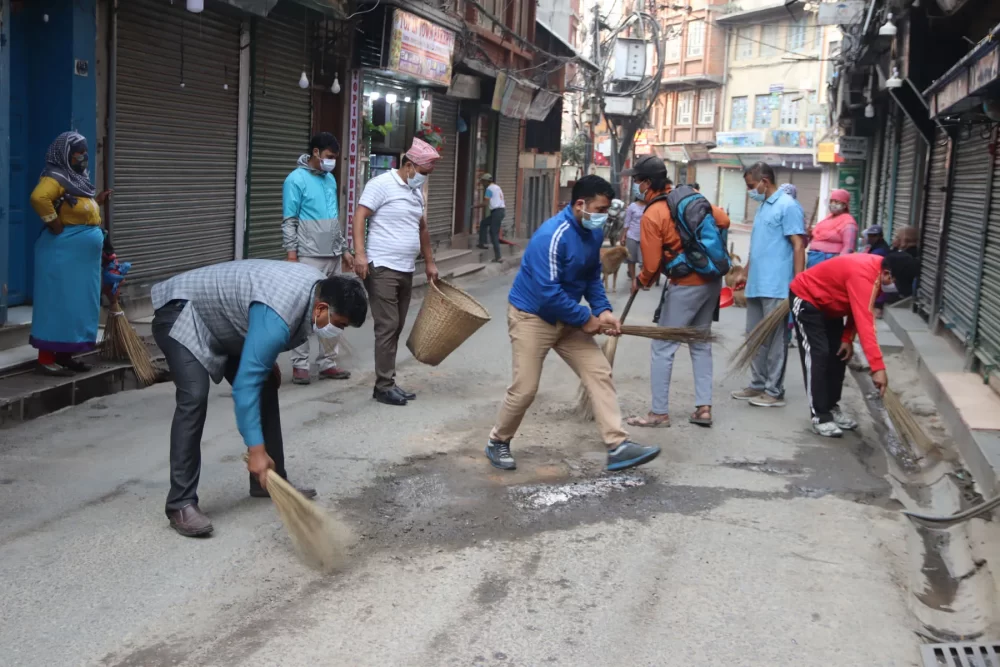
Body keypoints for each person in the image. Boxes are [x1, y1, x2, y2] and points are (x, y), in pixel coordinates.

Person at [150, 261, 368, 537]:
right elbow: (244, 387)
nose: (339, 332)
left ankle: (269, 481)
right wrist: (255, 450)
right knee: (194, 395)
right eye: (340, 325)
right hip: (181, 311)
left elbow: (261, 325)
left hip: (223, 320)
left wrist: (263, 358)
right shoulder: (278, 316)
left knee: (266, 383)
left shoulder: (317, 289)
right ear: (322, 309)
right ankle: (180, 503)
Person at [485, 175, 661, 473]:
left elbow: (591, 274)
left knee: (599, 372)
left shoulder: (592, 233)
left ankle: (617, 445)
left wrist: (602, 310)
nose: (604, 216)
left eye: (607, 210)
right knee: (525, 388)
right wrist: (586, 319)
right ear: (580, 205)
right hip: (532, 317)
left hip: (567, 317)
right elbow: (547, 294)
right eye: (601, 209)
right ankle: (498, 441)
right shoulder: (551, 236)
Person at [624, 155, 731, 428]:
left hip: (685, 285)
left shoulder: (652, 214)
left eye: (637, 181)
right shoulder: (691, 196)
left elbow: (650, 265)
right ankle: (703, 409)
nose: (636, 186)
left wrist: (641, 280)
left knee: (663, 346)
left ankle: (658, 413)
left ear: (647, 183)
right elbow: (724, 221)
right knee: (700, 342)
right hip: (711, 281)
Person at [789, 252, 918, 437]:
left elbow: (858, 307)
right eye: (897, 283)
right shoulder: (865, 275)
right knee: (818, 354)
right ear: (888, 274)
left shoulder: (877, 276)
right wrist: (878, 367)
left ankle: (831, 407)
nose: (895, 290)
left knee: (838, 355)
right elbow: (866, 322)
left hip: (831, 306)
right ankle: (820, 416)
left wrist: (847, 338)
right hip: (807, 299)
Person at [353, 138, 441, 406]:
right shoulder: (381, 184)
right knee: (387, 325)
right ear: (410, 166)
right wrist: (360, 254)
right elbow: (359, 216)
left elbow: (422, 228)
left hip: (405, 268)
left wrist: (429, 262)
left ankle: (388, 381)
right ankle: (383, 385)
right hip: (382, 266)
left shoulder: (415, 193)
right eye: (424, 174)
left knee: (397, 325)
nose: (424, 179)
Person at [28, 131, 113, 376]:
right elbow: (38, 198)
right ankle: (46, 359)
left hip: (81, 263)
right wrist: (54, 223)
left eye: (85, 152)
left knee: (76, 307)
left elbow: (76, 209)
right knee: (57, 305)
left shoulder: (78, 179)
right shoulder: (54, 176)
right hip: (61, 257)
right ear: (64, 154)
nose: (83, 157)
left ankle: (65, 356)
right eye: (77, 153)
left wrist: (97, 201)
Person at [731, 162, 806, 408]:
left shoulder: (788, 206)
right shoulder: (763, 207)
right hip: (757, 283)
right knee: (755, 337)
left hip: (777, 284)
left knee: (775, 340)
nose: (750, 191)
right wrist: (745, 272)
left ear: (765, 180)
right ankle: (757, 384)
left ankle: (774, 390)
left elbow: (798, 244)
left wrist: (798, 282)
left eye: (752, 185)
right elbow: (759, 246)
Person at [282, 132, 353, 385]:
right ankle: (300, 364)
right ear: (315, 153)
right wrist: (292, 256)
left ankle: (327, 363)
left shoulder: (330, 180)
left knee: (331, 309)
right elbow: (289, 221)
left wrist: (344, 249)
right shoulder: (295, 180)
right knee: (305, 310)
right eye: (329, 157)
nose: (332, 161)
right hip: (308, 256)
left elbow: (334, 220)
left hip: (332, 255)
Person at [806, 189, 857, 268]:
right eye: (831, 201)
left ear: (844, 205)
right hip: (814, 259)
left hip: (830, 262)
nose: (833, 204)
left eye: (837, 202)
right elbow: (817, 235)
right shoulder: (827, 219)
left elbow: (849, 248)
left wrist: (837, 263)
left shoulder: (849, 223)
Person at [473, 173, 506, 263]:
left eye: (483, 181)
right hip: (500, 211)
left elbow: (485, 203)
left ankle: (498, 257)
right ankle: (482, 243)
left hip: (497, 212)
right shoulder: (497, 187)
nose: (482, 183)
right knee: (484, 223)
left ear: (487, 181)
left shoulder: (489, 189)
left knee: (493, 233)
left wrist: (474, 206)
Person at [620, 185, 645, 283]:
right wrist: (623, 236)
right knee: (631, 259)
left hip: (645, 237)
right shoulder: (632, 206)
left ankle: (643, 279)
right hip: (632, 236)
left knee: (644, 261)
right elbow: (627, 221)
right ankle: (634, 279)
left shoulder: (649, 206)